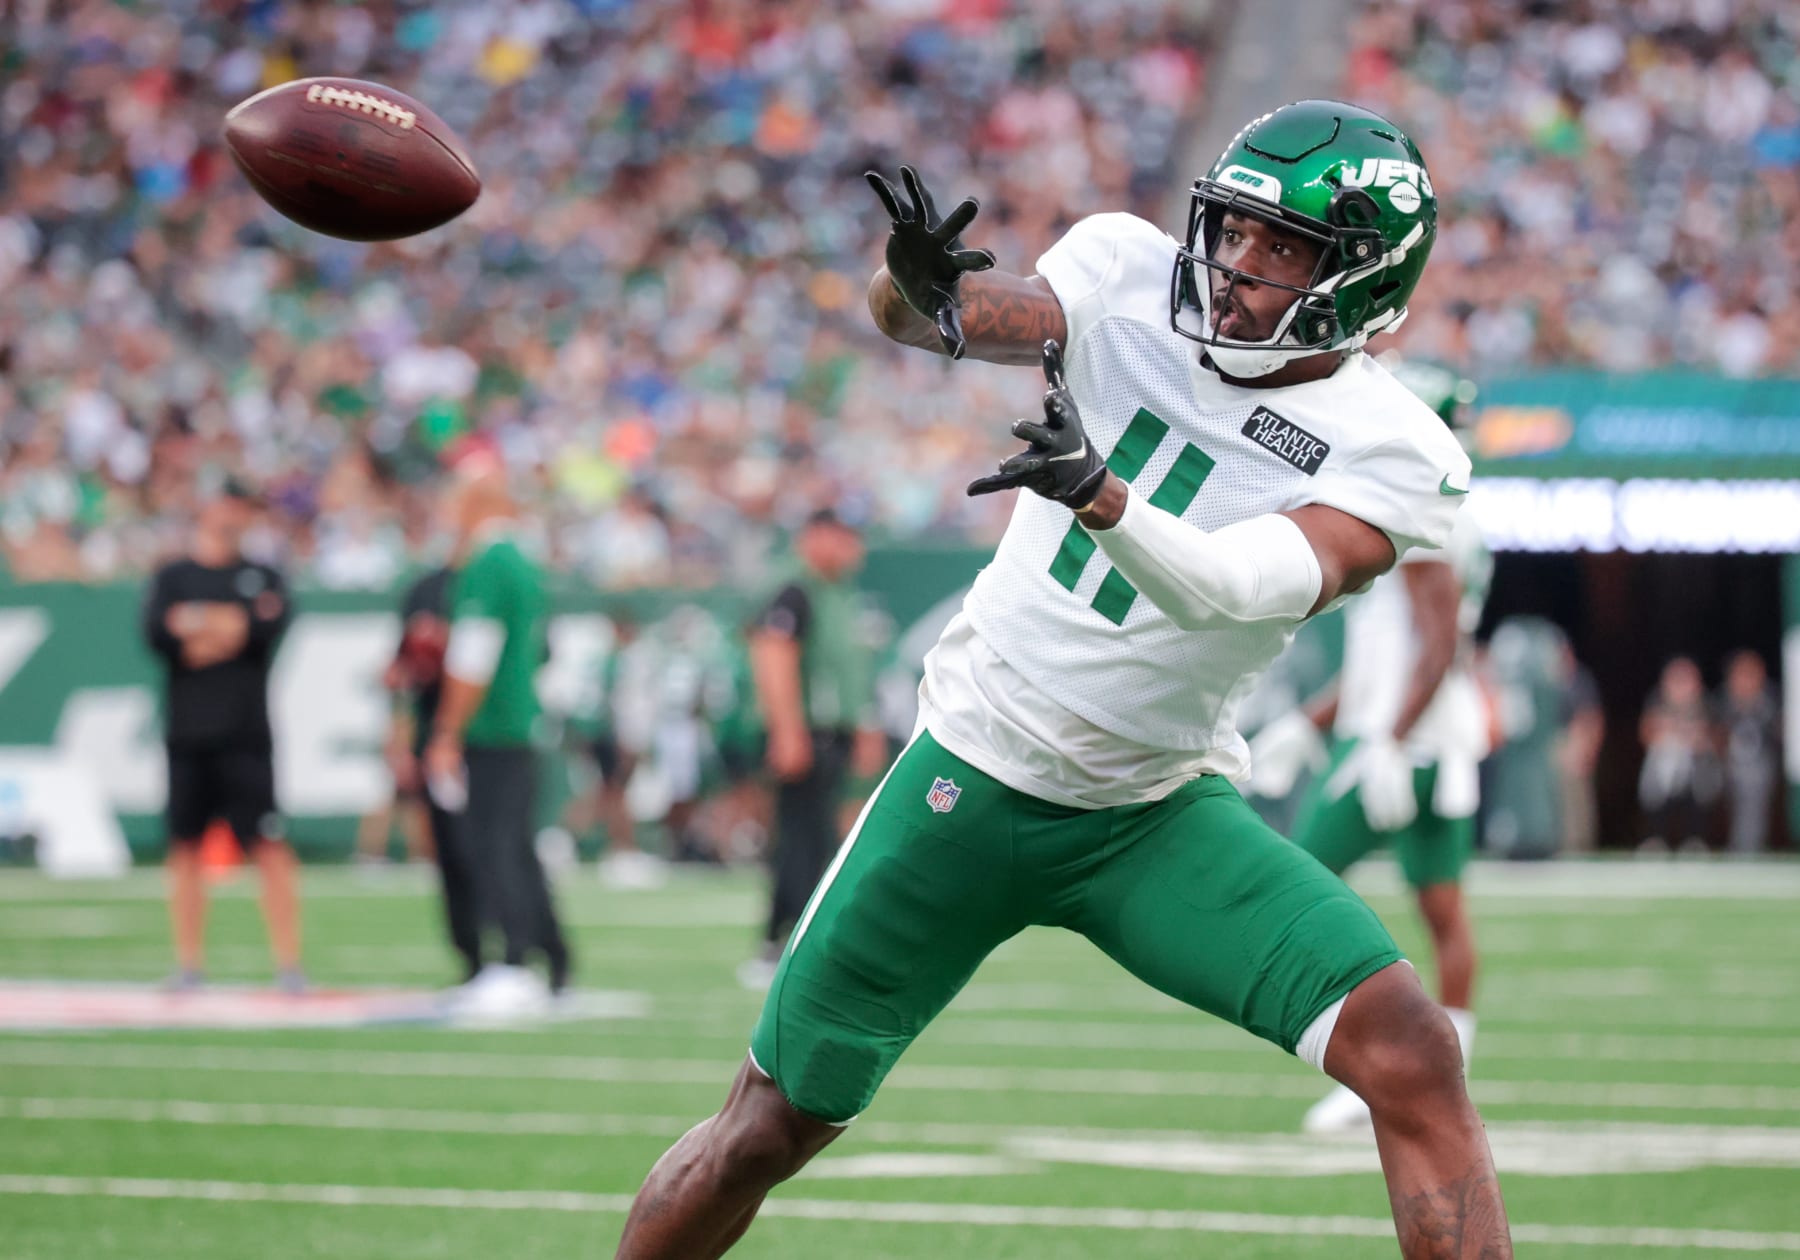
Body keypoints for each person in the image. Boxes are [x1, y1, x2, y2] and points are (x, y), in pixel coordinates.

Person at [614, 100, 1513, 1258]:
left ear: (1364, 278)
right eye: (1232, 231)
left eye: (1280, 247)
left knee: (1411, 1049)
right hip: (975, 779)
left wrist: (1101, 495)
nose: (1235, 267)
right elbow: (949, 318)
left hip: (1152, 815)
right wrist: (909, 284)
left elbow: (1242, 585)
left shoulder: (1397, 448)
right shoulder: (1126, 272)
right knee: (766, 1128)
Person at [1249, 360, 1494, 1135]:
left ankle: (1383, 1060)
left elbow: (1436, 644)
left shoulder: (1425, 502)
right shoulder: (1451, 504)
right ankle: (1440, 1066)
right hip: (1431, 743)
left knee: (1298, 891)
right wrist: (1308, 723)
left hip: (1400, 744)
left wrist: (1383, 741)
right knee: (1441, 906)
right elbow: (1391, 657)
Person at [423, 457, 572, 1015]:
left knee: (493, 846)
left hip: (495, 726)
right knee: (516, 846)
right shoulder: (525, 563)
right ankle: (550, 956)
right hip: (520, 719)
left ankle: (514, 959)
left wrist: (446, 730)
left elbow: (473, 656)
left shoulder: (488, 564)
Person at [140, 478, 300, 992]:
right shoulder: (173, 575)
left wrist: (202, 627)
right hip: (189, 732)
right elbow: (161, 637)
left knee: (268, 843)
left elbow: (255, 633)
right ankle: (188, 964)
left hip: (246, 731)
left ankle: (289, 964)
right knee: (184, 844)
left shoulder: (262, 575)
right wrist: (222, 628)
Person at [738, 510, 885, 990]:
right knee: (803, 838)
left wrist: (863, 725)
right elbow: (772, 656)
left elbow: (850, 669)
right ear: (818, 537)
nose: (855, 551)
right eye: (846, 539)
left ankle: (783, 939)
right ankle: (793, 940)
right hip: (807, 730)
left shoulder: (836, 592)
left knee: (811, 835)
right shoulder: (794, 588)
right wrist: (787, 730)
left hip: (830, 729)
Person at [383, 563, 482, 979]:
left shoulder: (500, 580)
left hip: (488, 736)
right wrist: (402, 738)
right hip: (436, 735)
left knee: (492, 848)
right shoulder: (425, 587)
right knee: (450, 851)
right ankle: (471, 957)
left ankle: (516, 954)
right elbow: (401, 671)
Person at [1638, 656, 1721, 852]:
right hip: (1663, 767)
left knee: (1702, 782)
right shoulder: (1657, 699)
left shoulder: (1705, 703)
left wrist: (1696, 739)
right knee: (1657, 783)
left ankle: (1694, 840)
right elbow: (1646, 733)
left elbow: (1716, 738)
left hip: (1697, 767)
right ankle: (1655, 839)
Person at [1719, 649, 1779, 855]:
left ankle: (1748, 847)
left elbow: (1778, 732)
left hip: (1759, 764)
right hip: (1726, 764)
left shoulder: (1769, 699)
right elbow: (1715, 733)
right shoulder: (1724, 699)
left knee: (1754, 783)